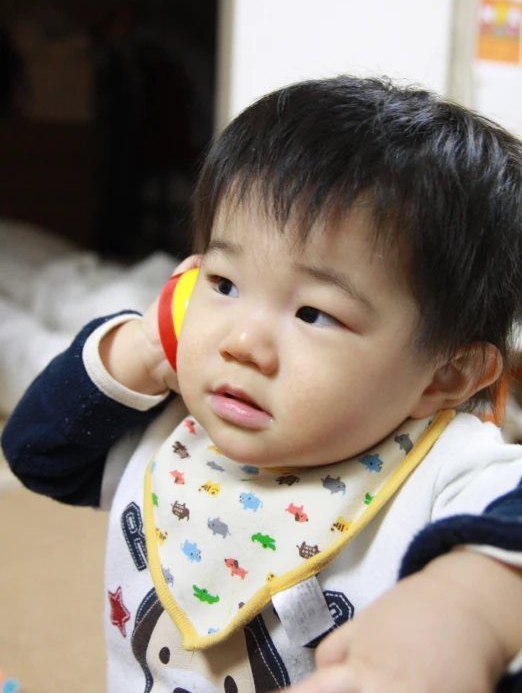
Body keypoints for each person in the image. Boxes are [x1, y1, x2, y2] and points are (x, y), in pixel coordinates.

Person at [3, 75, 522, 693]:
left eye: (314, 315)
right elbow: (37, 453)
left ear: (446, 374)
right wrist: (145, 344)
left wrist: (465, 612)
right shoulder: (174, 427)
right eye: (222, 283)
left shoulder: (444, 469)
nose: (240, 342)